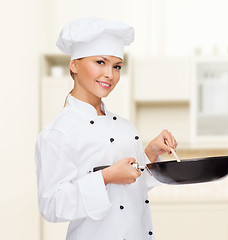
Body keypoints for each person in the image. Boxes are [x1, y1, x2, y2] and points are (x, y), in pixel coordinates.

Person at [34, 17, 178, 240]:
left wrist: (150, 153)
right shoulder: (59, 132)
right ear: (74, 65)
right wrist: (106, 177)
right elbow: (52, 206)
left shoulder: (125, 127)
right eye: (100, 62)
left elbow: (132, 186)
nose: (110, 75)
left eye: (117, 66)